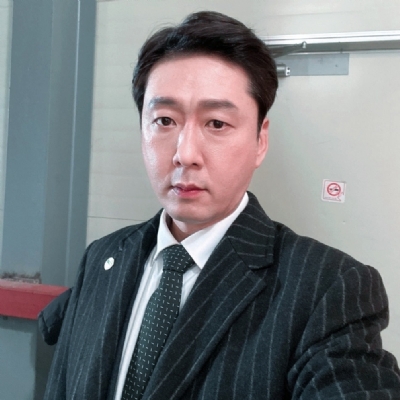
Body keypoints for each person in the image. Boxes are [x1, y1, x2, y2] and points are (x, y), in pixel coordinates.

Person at [43, 10, 400, 400]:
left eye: (216, 123)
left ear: (260, 140)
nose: (185, 154)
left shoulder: (327, 288)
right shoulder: (102, 258)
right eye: (164, 121)